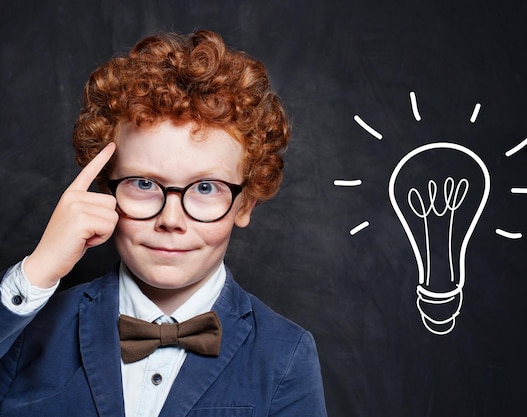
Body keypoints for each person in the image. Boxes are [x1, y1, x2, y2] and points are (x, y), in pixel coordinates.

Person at [0, 29, 327, 416]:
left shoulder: (286, 356)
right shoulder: (29, 328)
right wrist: (37, 272)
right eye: (143, 183)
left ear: (245, 205)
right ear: (107, 192)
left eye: (206, 187)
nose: (171, 219)